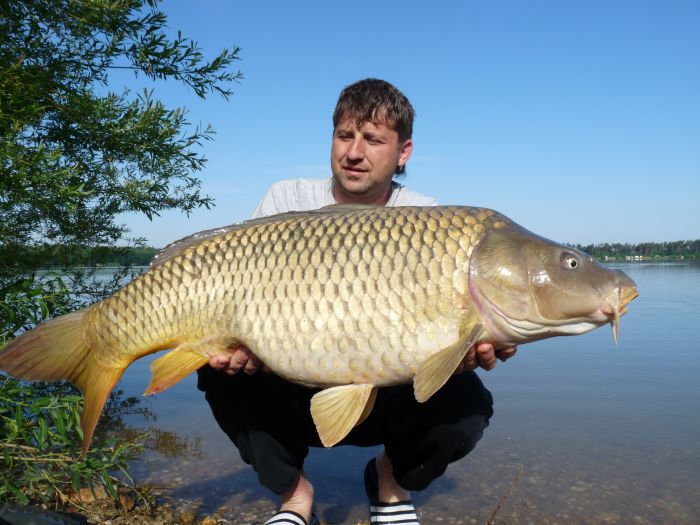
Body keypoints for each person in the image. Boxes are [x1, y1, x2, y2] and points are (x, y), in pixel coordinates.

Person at [197, 79, 517, 525]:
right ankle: (295, 497)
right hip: (291, 381)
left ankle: (390, 486)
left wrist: (466, 347)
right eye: (344, 135)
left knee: (466, 401)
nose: (354, 152)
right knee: (216, 368)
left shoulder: (425, 217)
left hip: (385, 394)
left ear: (403, 152)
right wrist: (239, 343)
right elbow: (241, 290)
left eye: (373, 139)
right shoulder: (287, 199)